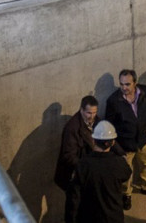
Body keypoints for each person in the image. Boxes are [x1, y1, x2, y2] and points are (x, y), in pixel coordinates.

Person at [104, 69, 146, 209]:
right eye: (122, 84)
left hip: (143, 140)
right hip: (125, 145)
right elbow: (109, 126)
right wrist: (117, 146)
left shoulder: (144, 91)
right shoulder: (113, 101)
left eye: (128, 84)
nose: (124, 87)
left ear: (135, 83)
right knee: (126, 172)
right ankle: (126, 194)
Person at [55, 95, 101, 223]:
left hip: (85, 172)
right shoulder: (72, 128)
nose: (92, 116)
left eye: (94, 112)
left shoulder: (95, 120)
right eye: (88, 113)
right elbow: (68, 156)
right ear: (81, 110)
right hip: (73, 175)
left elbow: (106, 138)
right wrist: (87, 167)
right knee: (73, 208)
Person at [75, 121, 132, 223]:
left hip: (89, 216)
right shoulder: (118, 163)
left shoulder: (83, 164)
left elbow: (74, 195)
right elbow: (127, 174)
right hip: (112, 216)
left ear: (93, 140)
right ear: (112, 142)